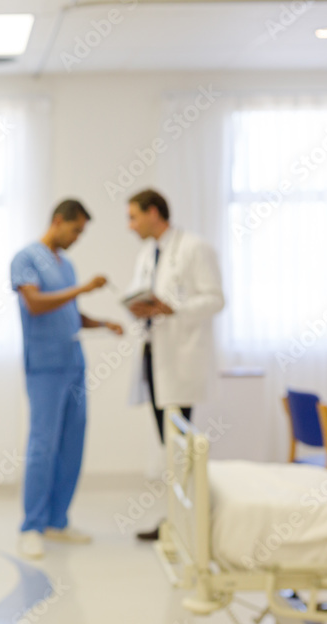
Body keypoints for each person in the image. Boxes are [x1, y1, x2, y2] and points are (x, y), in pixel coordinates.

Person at [11, 199, 124, 559]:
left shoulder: (68, 265)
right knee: (42, 446)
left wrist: (103, 324)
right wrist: (83, 288)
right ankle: (32, 526)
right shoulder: (25, 259)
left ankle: (57, 521)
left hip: (73, 363)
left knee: (72, 444)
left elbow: (69, 313)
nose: (77, 238)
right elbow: (37, 303)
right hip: (45, 366)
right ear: (58, 221)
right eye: (75, 230)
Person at [123, 189, 224, 541]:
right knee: (170, 446)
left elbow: (215, 299)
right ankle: (177, 520)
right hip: (154, 356)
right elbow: (141, 293)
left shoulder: (195, 248)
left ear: (154, 213)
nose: (130, 225)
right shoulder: (147, 254)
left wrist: (174, 309)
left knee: (179, 445)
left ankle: (187, 523)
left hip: (181, 360)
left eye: (133, 216)